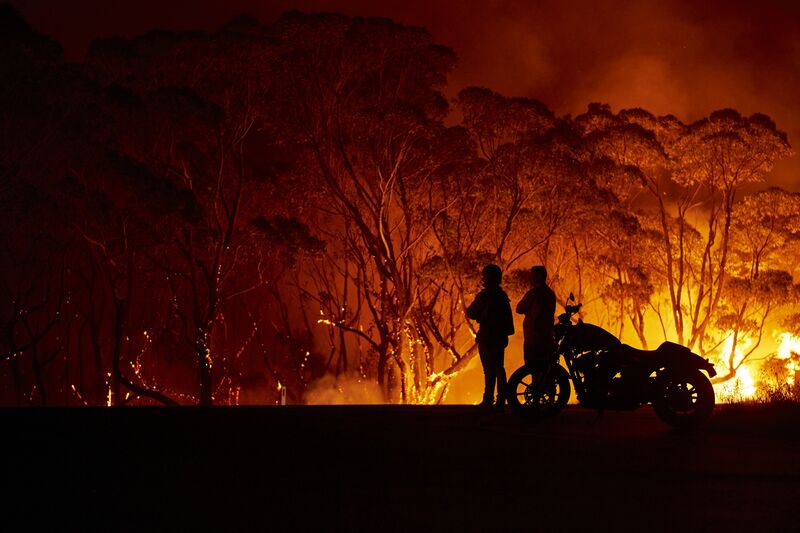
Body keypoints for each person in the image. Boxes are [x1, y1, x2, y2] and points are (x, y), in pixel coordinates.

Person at [466, 264, 515, 410]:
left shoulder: (484, 295)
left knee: (489, 369)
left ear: (488, 277)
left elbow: (471, 313)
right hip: (499, 337)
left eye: (484, 275)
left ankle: (488, 399)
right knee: (499, 368)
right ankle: (501, 399)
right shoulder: (502, 296)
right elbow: (508, 320)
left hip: (487, 336)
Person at [516, 265, 557, 368]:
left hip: (533, 339)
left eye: (533, 275)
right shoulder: (550, 293)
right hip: (547, 338)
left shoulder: (534, 293)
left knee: (532, 368)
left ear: (538, 277)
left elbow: (519, 308)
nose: (531, 278)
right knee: (546, 369)